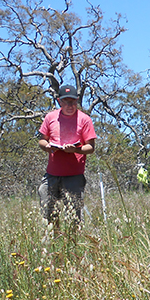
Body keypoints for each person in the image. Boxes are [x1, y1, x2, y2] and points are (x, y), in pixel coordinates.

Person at [37, 84, 97, 227]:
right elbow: (41, 140)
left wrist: (76, 150)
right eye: (66, 101)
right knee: (48, 208)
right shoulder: (50, 117)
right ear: (59, 101)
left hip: (74, 175)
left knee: (73, 216)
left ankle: (73, 243)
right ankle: (55, 239)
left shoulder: (84, 119)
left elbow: (91, 147)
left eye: (73, 101)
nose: (70, 105)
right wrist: (47, 146)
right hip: (52, 174)